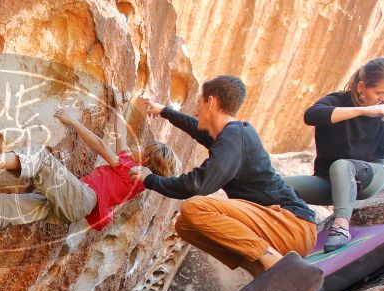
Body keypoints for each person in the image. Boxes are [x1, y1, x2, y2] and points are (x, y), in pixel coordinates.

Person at [0, 106, 181, 266]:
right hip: (68, 208)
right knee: (4, 204)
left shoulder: (137, 174)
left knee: (40, 158)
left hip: (83, 198)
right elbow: (122, 142)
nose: (139, 148)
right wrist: (119, 109)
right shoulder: (129, 164)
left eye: (144, 149)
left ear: (147, 160)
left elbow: (99, 145)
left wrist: (71, 120)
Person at [131, 75, 317, 278]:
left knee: (194, 207)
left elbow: (197, 185)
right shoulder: (234, 135)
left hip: (292, 226)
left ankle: (272, 261)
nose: (197, 108)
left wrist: (150, 179)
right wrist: (166, 112)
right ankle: (262, 271)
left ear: (211, 102)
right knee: (184, 226)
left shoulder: (234, 136)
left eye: (199, 102)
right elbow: (200, 131)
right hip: (275, 228)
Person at [282, 57, 384, 252]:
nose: (383, 99)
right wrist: (363, 111)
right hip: (332, 183)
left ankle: (341, 227)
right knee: (273, 186)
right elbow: (311, 115)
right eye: (379, 93)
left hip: (371, 177)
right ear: (361, 87)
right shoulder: (338, 101)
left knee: (342, 165)